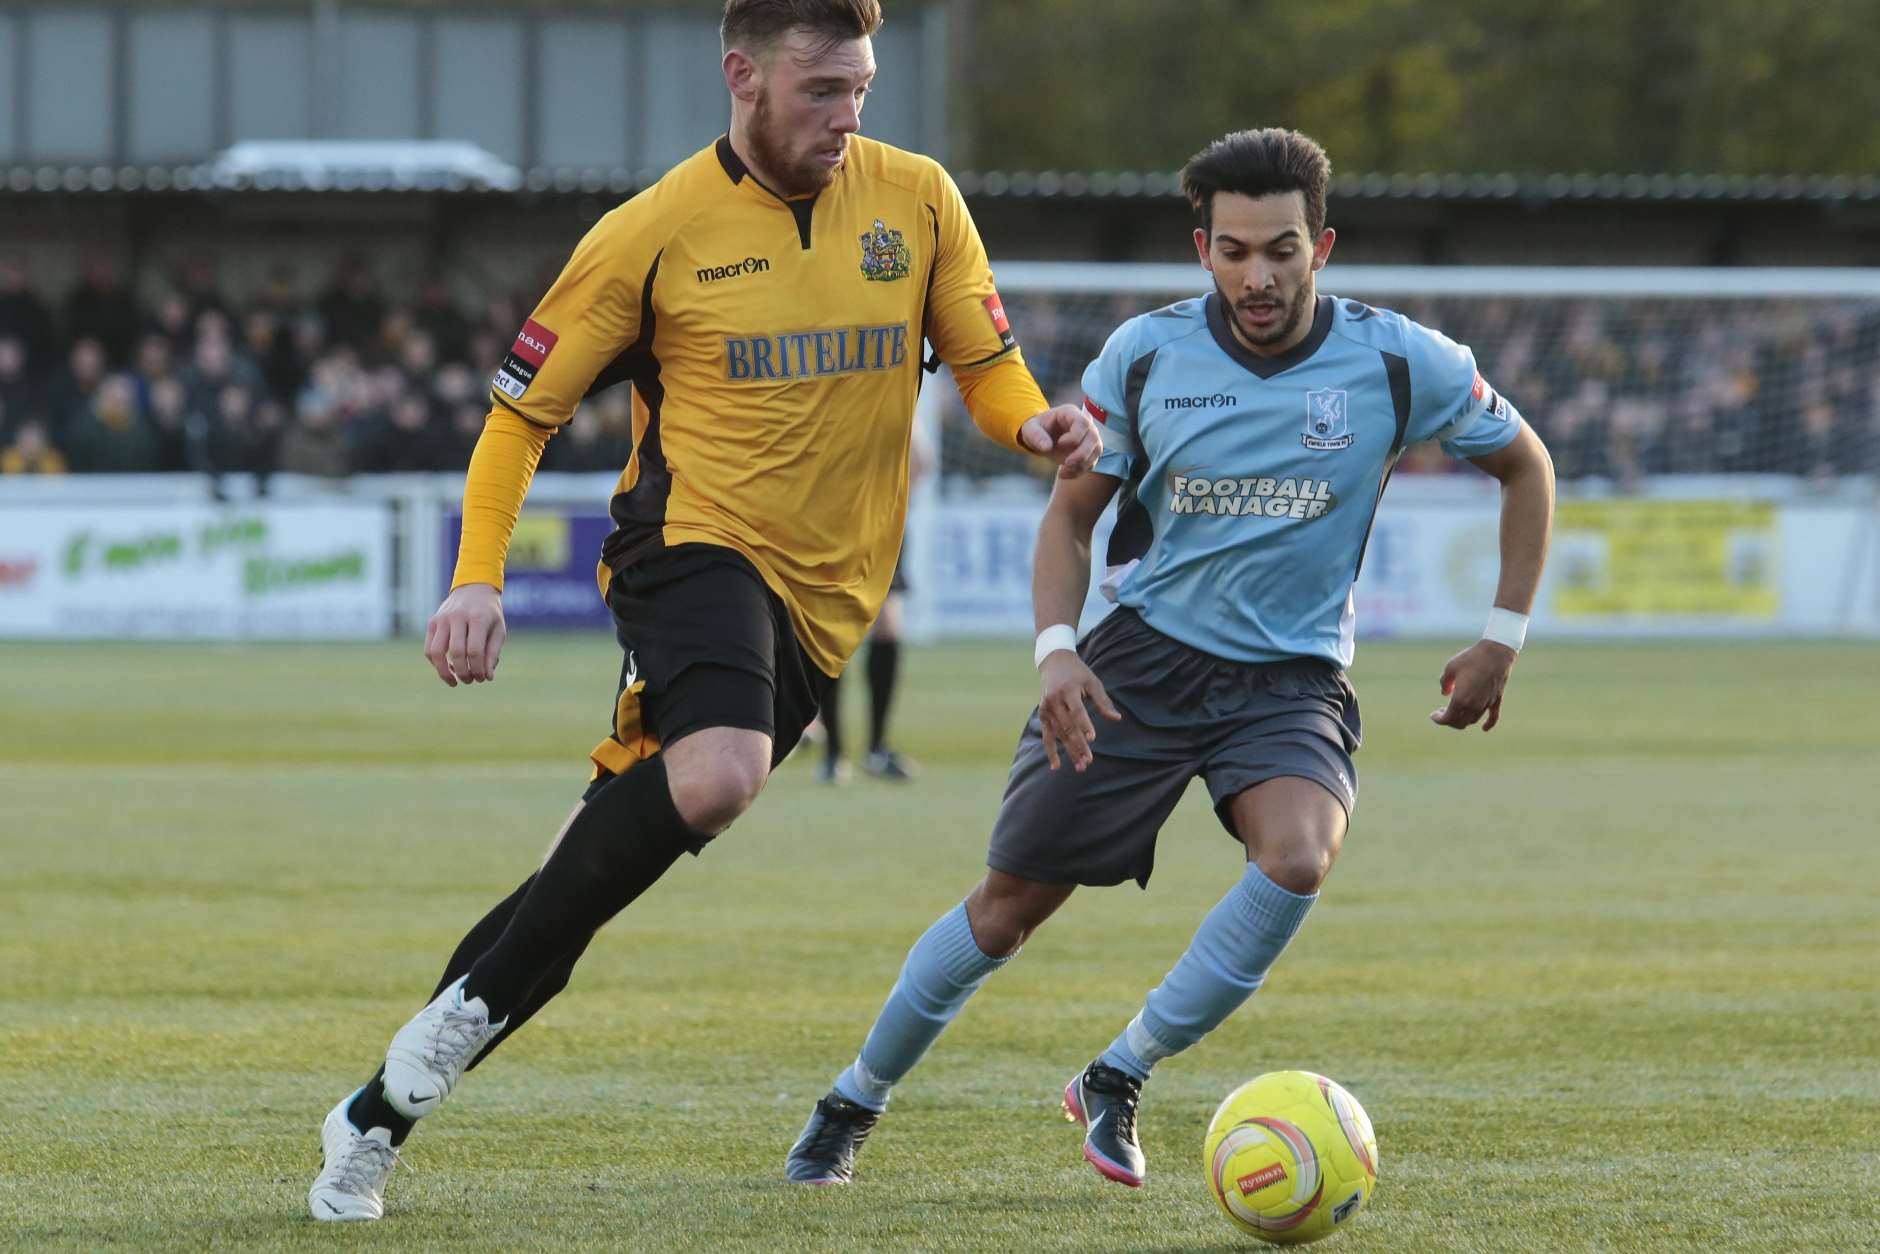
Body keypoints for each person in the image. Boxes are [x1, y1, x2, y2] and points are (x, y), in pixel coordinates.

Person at [308, 0, 1101, 1223]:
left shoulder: (918, 199)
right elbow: (520, 414)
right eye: (821, 91)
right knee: (721, 778)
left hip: (830, 596)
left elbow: (984, 365)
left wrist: (1032, 423)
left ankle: (380, 1110)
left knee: (574, 882)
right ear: (742, 75)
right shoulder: (652, 233)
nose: (848, 117)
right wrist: (477, 575)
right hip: (690, 546)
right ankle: (441, 1039)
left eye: (860, 89)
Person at [784, 127, 1556, 1188]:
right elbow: (1066, 526)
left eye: (1280, 249)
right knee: (1004, 911)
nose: (1258, 274)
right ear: (1202, 250)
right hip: (1136, 667)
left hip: (1290, 679)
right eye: (1234, 250)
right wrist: (1056, 653)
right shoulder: (1145, 357)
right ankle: (851, 1103)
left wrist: (1500, 636)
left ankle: (1119, 1071)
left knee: (1296, 858)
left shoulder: (1396, 359)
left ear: (1319, 246)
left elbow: (1526, 467)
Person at [819, 425, 931, 782]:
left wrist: (895, 493)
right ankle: (834, 753)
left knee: (888, 627)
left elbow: (922, 459)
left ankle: (876, 749)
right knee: (832, 636)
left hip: (882, 526)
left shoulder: (890, 399)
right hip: (831, 526)